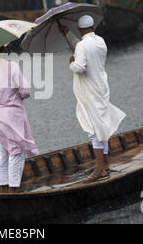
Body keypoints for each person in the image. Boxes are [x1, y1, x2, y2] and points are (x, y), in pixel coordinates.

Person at [61, 15, 125, 182]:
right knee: (102, 125)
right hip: (101, 88)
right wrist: (67, 34)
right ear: (93, 27)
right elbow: (83, 48)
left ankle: (99, 170)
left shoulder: (83, 45)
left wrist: (71, 62)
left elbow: (80, 67)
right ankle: (104, 164)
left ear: (81, 29)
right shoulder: (100, 41)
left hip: (89, 92)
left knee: (93, 130)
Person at [0, 46, 39, 193]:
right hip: (12, 114)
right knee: (16, 150)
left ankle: (2, 188)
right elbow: (25, 91)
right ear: (4, 51)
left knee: (2, 150)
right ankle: (13, 189)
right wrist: (12, 94)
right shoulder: (12, 66)